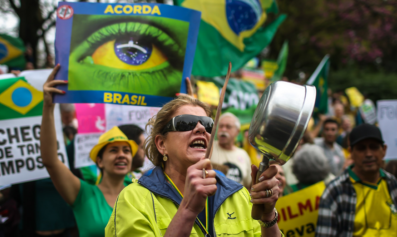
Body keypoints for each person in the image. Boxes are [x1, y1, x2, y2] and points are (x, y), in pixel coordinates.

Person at [105, 95, 283, 236]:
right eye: (185, 123)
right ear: (161, 144)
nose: (200, 129)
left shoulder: (238, 195)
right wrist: (188, 210)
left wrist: (268, 217)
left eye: (208, 124)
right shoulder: (133, 200)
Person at [40, 65, 138, 237]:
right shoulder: (82, 194)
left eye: (126, 150)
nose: (122, 154)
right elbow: (51, 161)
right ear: (99, 161)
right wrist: (48, 106)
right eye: (113, 150)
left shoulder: (140, 191)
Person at [316, 124, 397, 236]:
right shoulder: (335, 191)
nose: (368, 154)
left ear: (384, 150)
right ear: (351, 153)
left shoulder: (392, 184)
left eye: (374, 147)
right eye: (361, 148)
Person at [211, 112, 252, 187]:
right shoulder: (209, 147)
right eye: (221, 126)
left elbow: (248, 185)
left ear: (237, 131)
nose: (223, 129)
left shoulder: (243, 154)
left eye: (228, 127)